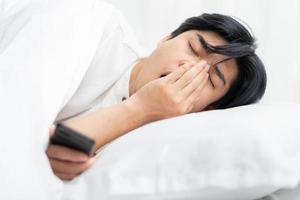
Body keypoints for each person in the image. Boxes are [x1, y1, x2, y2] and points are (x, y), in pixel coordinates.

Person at [47, 11, 267, 180]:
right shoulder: (100, 32)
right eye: (192, 48)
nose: (187, 68)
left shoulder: (161, 144)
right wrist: (141, 106)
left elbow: (53, 153)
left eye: (209, 78)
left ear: (209, 109)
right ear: (166, 38)